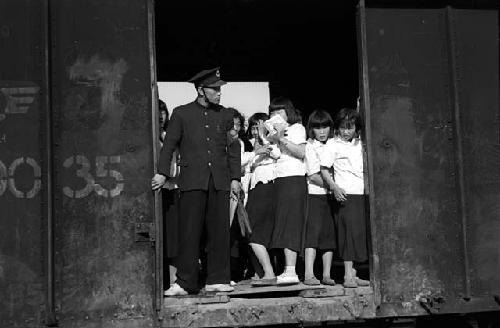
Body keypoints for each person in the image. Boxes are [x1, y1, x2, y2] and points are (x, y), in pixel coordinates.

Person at [151, 67, 241, 296]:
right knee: (189, 232)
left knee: (219, 232)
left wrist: (235, 178)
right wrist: (162, 172)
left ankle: (218, 279)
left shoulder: (226, 114)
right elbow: (169, 145)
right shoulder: (182, 114)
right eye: (215, 89)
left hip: (219, 181)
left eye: (220, 89)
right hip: (192, 180)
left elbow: (234, 147)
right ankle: (184, 282)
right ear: (201, 90)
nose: (220, 93)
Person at [320, 108, 370, 288]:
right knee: (347, 233)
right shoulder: (332, 144)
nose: (346, 131)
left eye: (350, 127)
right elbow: (324, 169)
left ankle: (354, 273)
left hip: (361, 193)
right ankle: (347, 275)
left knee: (358, 234)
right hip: (345, 194)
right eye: (343, 127)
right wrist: (334, 187)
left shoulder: (360, 143)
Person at [266, 97, 307, 285]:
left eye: (279, 112)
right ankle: (287, 269)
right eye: (273, 113)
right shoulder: (275, 132)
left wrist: (281, 138)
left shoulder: (297, 128)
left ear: (287, 112)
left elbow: (300, 152)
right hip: (280, 178)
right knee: (282, 221)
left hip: (293, 178)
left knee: (290, 221)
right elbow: (275, 155)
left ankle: (291, 270)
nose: (276, 116)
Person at [245, 112, 281, 286]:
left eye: (259, 127)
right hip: (251, 190)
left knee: (256, 233)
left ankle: (269, 272)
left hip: (266, 188)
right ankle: (261, 272)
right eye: (253, 127)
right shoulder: (248, 145)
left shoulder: (272, 142)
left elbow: (276, 155)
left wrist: (263, 137)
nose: (256, 131)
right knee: (249, 231)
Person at [303, 110, 336, 286]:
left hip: (331, 197)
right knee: (312, 235)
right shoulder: (310, 146)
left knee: (328, 236)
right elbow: (313, 175)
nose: (322, 131)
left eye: (325, 127)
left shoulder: (334, 144)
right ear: (312, 129)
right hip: (315, 195)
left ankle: (326, 274)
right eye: (317, 127)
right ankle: (309, 274)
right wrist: (334, 186)